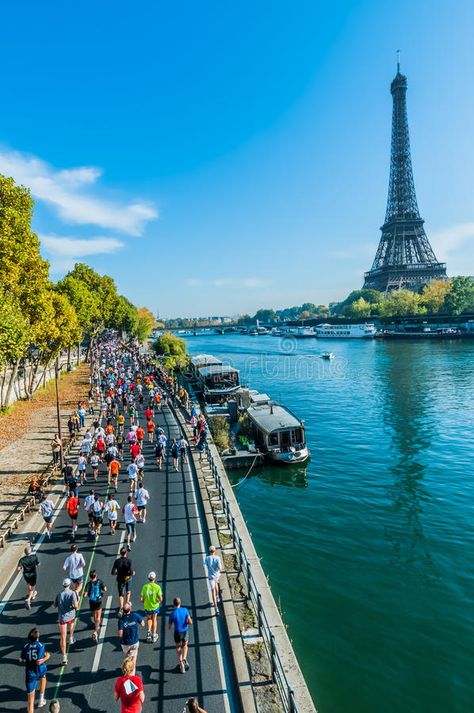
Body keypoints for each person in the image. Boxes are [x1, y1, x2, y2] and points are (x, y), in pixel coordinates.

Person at [20, 627, 50, 712]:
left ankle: (39, 700)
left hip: (30, 673)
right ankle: (41, 699)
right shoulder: (41, 645)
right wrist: (47, 657)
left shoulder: (26, 646)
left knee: (30, 702)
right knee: (43, 677)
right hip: (40, 669)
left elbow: (21, 659)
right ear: (37, 637)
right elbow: (39, 662)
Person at [54, 579, 78, 665]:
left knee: (63, 637)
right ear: (69, 584)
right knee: (72, 624)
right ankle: (71, 637)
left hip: (62, 618)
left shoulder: (59, 595)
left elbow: (54, 605)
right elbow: (76, 606)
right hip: (71, 615)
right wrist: (73, 607)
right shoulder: (72, 593)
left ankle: (64, 657)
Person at [168, 597, 193, 673]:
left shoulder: (172, 614)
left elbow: (169, 627)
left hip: (177, 632)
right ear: (180, 603)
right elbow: (190, 622)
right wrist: (186, 623)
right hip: (185, 631)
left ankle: (181, 663)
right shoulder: (185, 610)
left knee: (178, 647)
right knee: (185, 645)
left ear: (173, 604)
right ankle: (184, 658)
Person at [84, 569, 107, 642]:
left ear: (90, 577)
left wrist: (86, 594)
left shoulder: (88, 584)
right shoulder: (100, 582)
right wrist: (101, 592)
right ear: (96, 576)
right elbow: (105, 589)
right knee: (98, 617)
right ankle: (95, 631)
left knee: (94, 614)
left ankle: (96, 625)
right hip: (98, 601)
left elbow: (85, 595)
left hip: (92, 601)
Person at [140, 572, 162, 643]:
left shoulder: (145, 587)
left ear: (148, 579)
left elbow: (141, 599)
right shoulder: (157, 587)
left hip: (147, 606)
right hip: (155, 606)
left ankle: (149, 632)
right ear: (155, 578)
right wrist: (158, 601)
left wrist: (144, 602)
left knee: (149, 618)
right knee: (154, 619)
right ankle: (154, 635)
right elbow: (160, 599)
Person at [112, 547, 134, 612]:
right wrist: (132, 573)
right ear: (126, 553)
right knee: (128, 591)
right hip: (127, 578)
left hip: (120, 579)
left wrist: (118, 573)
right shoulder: (129, 561)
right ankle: (127, 605)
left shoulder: (117, 561)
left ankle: (121, 608)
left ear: (120, 553)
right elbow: (130, 571)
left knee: (121, 594)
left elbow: (113, 572)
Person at [17, 545, 39, 610]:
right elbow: (38, 564)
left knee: (29, 584)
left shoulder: (22, 560)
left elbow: (18, 568)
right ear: (30, 552)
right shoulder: (34, 557)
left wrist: (21, 567)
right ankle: (29, 599)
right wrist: (37, 564)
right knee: (33, 586)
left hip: (26, 575)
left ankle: (32, 595)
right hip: (33, 574)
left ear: (25, 552)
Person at [204, 545, 222, 612]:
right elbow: (220, 568)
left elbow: (205, 565)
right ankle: (218, 597)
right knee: (216, 584)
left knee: (212, 591)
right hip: (216, 575)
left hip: (211, 577)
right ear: (215, 551)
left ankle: (216, 608)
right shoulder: (217, 558)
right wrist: (217, 572)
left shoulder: (207, 558)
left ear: (209, 551)